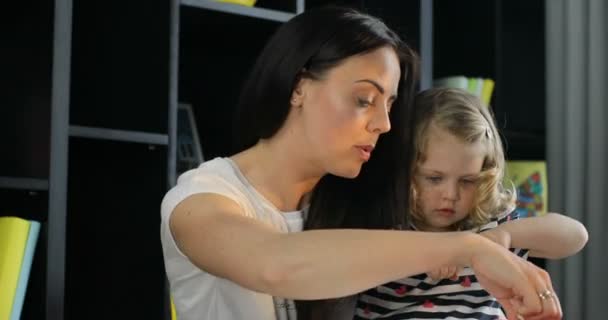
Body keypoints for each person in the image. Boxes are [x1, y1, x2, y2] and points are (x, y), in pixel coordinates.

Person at [160, 6, 562, 320]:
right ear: (299, 87)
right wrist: (468, 248)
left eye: (389, 105)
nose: (385, 124)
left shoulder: (356, 202)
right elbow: (276, 264)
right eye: (364, 100)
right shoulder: (202, 198)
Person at [354, 88, 588, 319]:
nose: (451, 194)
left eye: (467, 181)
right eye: (434, 178)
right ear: (403, 170)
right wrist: (434, 253)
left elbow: (576, 236)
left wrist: (503, 235)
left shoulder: (487, 227)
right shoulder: (382, 225)